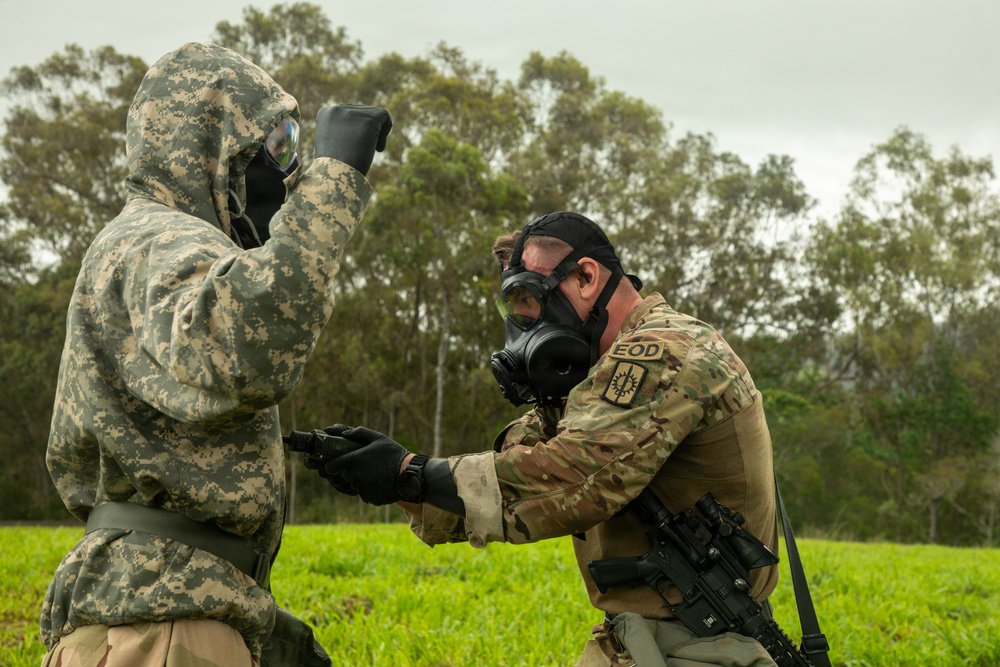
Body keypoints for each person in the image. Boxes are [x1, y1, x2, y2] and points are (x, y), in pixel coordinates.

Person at [39, 42, 392, 667]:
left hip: (162, 611)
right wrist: (333, 178)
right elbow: (246, 350)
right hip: (162, 628)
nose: (286, 169)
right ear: (217, 140)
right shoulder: (162, 237)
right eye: (277, 139)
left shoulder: (153, 244)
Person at [310, 211, 781, 667]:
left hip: (700, 647)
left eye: (530, 302)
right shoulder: (595, 376)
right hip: (644, 639)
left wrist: (410, 474)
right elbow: (514, 469)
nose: (525, 326)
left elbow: (572, 476)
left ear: (586, 278)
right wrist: (392, 477)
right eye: (513, 309)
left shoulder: (663, 352)